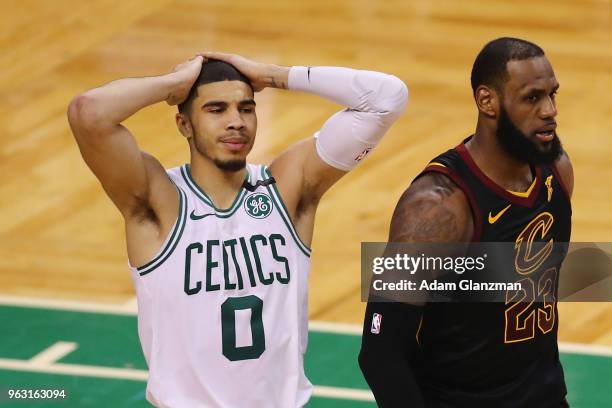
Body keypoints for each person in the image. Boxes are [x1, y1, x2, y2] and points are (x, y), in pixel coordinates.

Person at [67, 52, 407, 407]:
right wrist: (173, 85)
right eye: (216, 110)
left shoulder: (287, 191)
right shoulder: (159, 203)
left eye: (246, 108)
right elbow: (88, 113)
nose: (236, 122)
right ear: (184, 124)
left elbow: (387, 98)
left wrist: (272, 75)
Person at [359, 37, 573, 407]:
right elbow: (380, 353)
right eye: (532, 98)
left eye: (552, 95)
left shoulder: (556, 171)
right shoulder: (436, 208)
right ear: (487, 101)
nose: (549, 110)